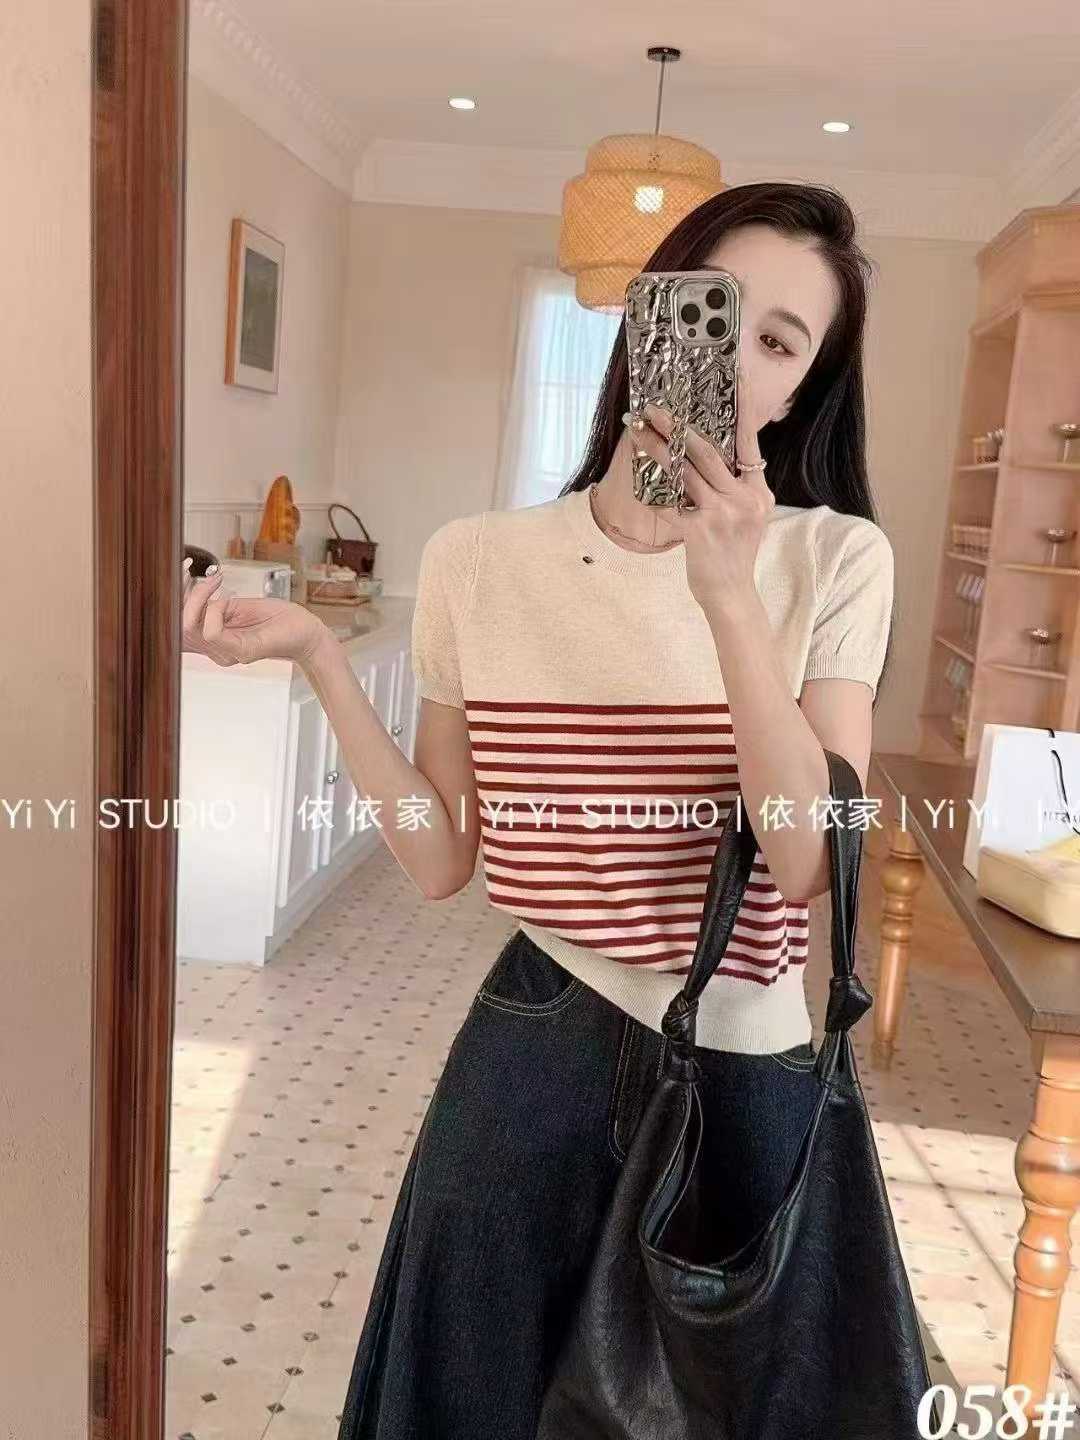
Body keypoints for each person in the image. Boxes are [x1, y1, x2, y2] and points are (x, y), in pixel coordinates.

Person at [181, 180, 896, 1439]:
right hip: (535, 1035)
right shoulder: (478, 560)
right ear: (649, 316)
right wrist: (321, 658)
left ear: (798, 393)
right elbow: (441, 859)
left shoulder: (834, 561)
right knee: (465, 1399)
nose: (738, 358)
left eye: (781, 342)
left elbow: (803, 861)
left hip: (745, 1065)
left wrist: (729, 596)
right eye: (716, 309)